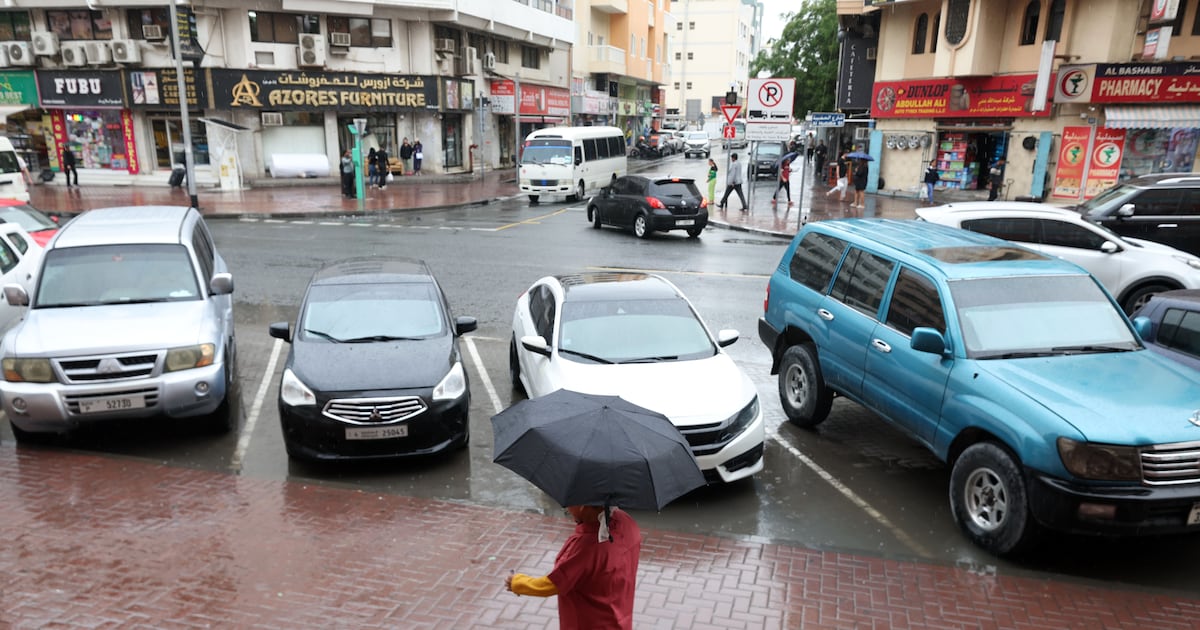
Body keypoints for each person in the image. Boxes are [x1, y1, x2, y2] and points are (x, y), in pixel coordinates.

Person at [505, 505, 641, 630]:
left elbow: (553, 584)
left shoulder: (587, 546)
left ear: (582, 506)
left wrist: (517, 582)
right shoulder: (626, 522)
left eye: (569, 505)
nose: (567, 509)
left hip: (590, 623)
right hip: (619, 617)